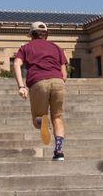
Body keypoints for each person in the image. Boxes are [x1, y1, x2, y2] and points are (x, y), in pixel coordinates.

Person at [13, 21, 68, 161]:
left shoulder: (25, 48)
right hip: (58, 82)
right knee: (57, 117)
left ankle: (42, 122)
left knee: (38, 118)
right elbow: (65, 74)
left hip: (38, 82)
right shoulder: (56, 48)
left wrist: (21, 86)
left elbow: (17, 64)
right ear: (46, 34)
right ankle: (59, 150)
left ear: (31, 35)